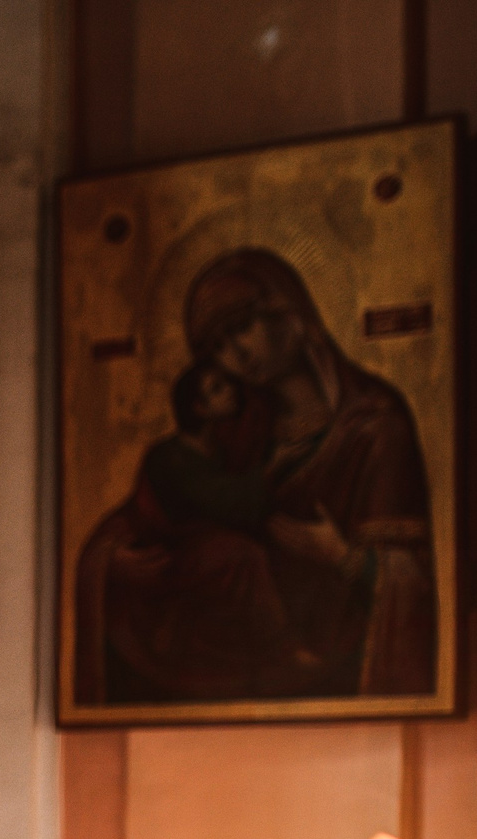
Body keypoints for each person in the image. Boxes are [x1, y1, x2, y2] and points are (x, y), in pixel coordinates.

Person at [72, 246, 434, 706]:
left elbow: (415, 582)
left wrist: (343, 556)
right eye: (218, 348)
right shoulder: (235, 432)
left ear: (292, 313)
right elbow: (150, 510)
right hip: (214, 655)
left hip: (332, 665)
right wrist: (111, 561)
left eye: (241, 328)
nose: (236, 356)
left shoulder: (375, 426)